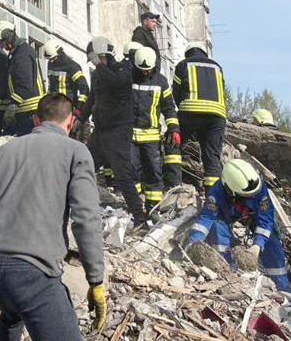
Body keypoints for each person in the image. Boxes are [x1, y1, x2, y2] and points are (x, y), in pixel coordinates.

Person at [0, 93, 106, 341]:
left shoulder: (2, 152)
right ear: (70, 122)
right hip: (32, 276)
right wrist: (95, 280)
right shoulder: (76, 151)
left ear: (36, 120)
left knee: (13, 313)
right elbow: (86, 220)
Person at [187, 159, 291, 291]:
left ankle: (283, 288)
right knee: (219, 233)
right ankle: (228, 275)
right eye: (247, 195)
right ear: (230, 190)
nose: (253, 196)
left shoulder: (258, 188)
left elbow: (265, 218)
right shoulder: (217, 192)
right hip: (226, 213)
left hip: (252, 214)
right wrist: (194, 242)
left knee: (272, 242)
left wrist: (258, 244)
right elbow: (206, 219)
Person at [82, 36, 145, 225]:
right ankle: (74, 204)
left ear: (103, 55)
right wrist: (79, 119)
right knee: (83, 165)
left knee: (122, 173)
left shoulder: (124, 69)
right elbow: (92, 98)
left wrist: (100, 66)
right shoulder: (98, 74)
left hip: (119, 129)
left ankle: (139, 215)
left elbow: (115, 83)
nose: (94, 64)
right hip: (101, 130)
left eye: (95, 59)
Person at [129, 47, 179, 213]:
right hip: (129, 135)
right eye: (142, 69)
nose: (145, 73)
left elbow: (169, 107)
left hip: (150, 136)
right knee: (131, 171)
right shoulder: (128, 78)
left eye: (148, 70)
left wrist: (173, 127)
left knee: (153, 173)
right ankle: (135, 206)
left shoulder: (161, 81)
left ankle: (153, 208)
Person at [172, 43, 226, 194]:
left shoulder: (183, 65)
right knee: (212, 157)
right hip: (216, 115)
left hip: (190, 112)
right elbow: (222, 90)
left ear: (187, 53)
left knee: (174, 145)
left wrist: (180, 109)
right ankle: (213, 196)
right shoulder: (217, 66)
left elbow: (176, 91)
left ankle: (173, 182)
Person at [0, 22, 44, 136]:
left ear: (8, 38)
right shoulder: (20, 52)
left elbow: (25, 85)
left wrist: (12, 106)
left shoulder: (22, 55)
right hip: (27, 109)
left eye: (2, 42)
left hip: (29, 110)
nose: (2, 46)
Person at [43, 39, 89, 124]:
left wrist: (78, 108)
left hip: (68, 108)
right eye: (49, 59)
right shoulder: (51, 64)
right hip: (54, 109)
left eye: (53, 58)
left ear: (59, 53)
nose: (51, 61)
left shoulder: (72, 66)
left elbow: (84, 88)